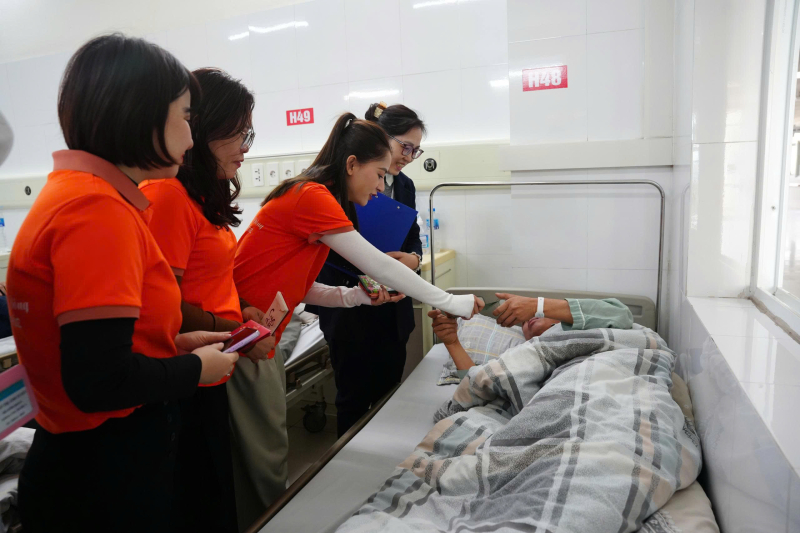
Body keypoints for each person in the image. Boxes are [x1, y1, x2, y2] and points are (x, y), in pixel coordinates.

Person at [5, 34, 237, 533]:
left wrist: (173, 345)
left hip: (89, 461)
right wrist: (195, 369)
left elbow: (98, 345)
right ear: (141, 114)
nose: (191, 138)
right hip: (102, 473)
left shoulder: (82, 195)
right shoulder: (96, 212)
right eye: (186, 117)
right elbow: (98, 381)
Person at [232, 112, 483, 521]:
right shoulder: (313, 197)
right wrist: (453, 303)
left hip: (261, 329)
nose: (383, 186)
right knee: (264, 453)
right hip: (242, 330)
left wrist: (354, 297)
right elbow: (379, 265)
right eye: (379, 174)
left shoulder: (317, 198)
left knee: (266, 447)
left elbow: (299, 285)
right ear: (352, 164)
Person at [140, 68, 272, 533]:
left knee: (214, 492)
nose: (246, 148)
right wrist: (235, 331)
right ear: (203, 128)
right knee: (197, 502)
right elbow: (163, 302)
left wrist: (243, 308)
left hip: (212, 366)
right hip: (183, 372)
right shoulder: (167, 195)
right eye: (238, 134)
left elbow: (208, 275)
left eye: (249, 134)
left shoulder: (199, 198)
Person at [314, 102, 426, 437]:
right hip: (349, 311)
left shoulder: (404, 185)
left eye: (416, 150)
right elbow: (325, 253)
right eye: (405, 146)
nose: (409, 156)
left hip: (392, 311)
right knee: (353, 401)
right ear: (380, 137)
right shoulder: (331, 187)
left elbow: (413, 235)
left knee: (389, 394)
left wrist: (413, 260)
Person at [430, 294, 634, 378]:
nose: (527, 320)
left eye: (536, 314)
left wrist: (538, 305)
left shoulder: (582, 328)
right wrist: (452, 342)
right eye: (523, 324)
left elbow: (622, 315)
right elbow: (478, 386)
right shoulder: (522, 353)